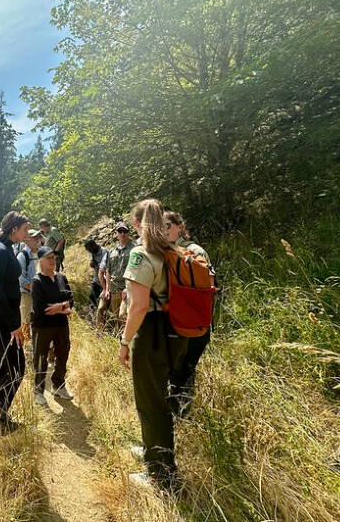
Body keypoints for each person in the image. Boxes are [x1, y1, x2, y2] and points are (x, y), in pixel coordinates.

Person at [118, 199, 187, 491]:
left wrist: (124, 341)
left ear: (137, 225)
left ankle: (161, 475)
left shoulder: (140, 255)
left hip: (151, 334)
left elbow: (138, 307)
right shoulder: (174, 251)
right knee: (159, 398)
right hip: (176, 332)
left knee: (149, 401)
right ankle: (154, 451)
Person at [0, 211, 30, 434]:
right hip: (1, 315)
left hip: (5, 314)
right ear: (14, 230)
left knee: (2, 362)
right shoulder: (0, 251)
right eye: (24, 229)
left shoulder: (5, 247)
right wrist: (14, 325)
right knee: (16, 366)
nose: (27, 233)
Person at [163, 210, 211, 417]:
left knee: (184, 372)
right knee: (175, 373)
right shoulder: (165, 252)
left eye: (167, 226)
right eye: (160, 227)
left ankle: (181, 417)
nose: (163, 231)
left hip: (191, 326)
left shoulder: (194, 251)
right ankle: (177, 416)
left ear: (180, 226)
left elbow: (207, 290)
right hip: (175, 323)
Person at [30, 246, 74, 405]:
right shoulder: (37, 281)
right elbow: (42, 308)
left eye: (54, 258)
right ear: (40, 261)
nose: (52, 261)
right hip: (42, 326)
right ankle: (38, 391)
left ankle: (58, 385)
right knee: (41, 357)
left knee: (63, 354)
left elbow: (71, 300)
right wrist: (64, 307)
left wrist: (60, 307)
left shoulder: (62, 278)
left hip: (61, 324)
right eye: (48, 258)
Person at [98, 222, 135, 333]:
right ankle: (118, 342)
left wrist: (128, 287)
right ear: (116, 233)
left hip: (126, 288)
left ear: (129, 233)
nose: (122, 234)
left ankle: (126, 342)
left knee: (123, 315)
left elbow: (135, 271)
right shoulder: (112, 251)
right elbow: (108, 272)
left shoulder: (134, 249)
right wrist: (107, 289)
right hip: (114, 290)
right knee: (117, 318)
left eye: (125, 231)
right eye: (120, 231)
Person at [16, 229, 43, 344]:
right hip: (27, 294)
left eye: (38, 238)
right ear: (27, 240)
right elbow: (22, 281)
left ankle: (38, 342)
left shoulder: (42, 254)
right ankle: (27, 345)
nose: (37, 240)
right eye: (34, 238)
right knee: (26, 319)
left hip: (40, 293)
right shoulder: (22, 257)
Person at [83, 239, 107, 323]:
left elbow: (106, 266)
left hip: (104, 281)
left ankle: (103, 318)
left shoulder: (104, 252)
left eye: (89, 249)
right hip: (96, 280)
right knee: (91, 296)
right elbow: (92, 264)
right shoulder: (92, 253)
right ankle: (93, 316)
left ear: (94, 245)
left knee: (103, 301)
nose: (89, 251)